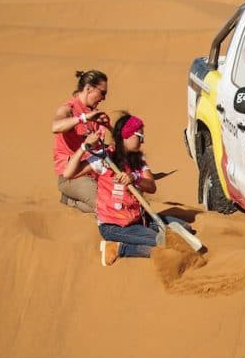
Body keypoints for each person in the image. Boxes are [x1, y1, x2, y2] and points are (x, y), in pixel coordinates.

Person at [62, 112, 187, 266]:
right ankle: (119, 248)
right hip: (114, 226)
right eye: (139, 136)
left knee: (185, 229)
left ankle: (140, 238)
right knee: (162, 243)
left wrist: (136, 178)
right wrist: (83, 147)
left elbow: (152, 187)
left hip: (139, 219)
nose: (143, 140)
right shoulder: (104, 158)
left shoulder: (138, 160)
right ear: (126, 136)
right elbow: (68, 173)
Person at [52, 70, 111, 213]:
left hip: (93, 172)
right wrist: (83, 118)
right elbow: (56, 126)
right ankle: (72, 199)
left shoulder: (94, 114)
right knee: (105, 207)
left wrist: (108, 126)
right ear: (89, 88)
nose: (103, 98)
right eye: (102, 93)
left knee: (118, 201)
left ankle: (72, 200)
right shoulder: (68, 109)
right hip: (72, 176)